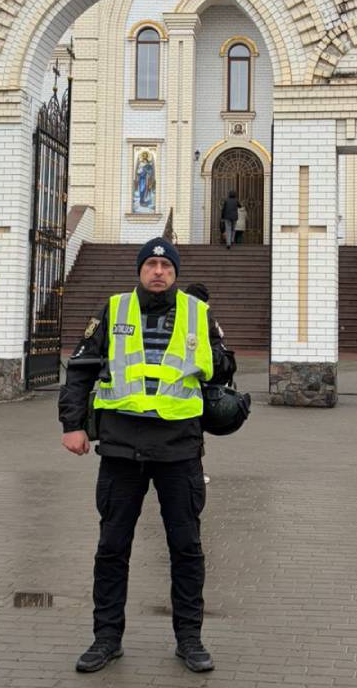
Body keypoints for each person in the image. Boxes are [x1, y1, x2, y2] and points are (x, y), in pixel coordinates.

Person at [59, 238, 234, 675]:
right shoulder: (112, 310)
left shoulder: (199, 314)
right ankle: (106, 639)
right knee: (112, 547)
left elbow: (225, 367)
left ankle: (189, 640)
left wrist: (209, 354)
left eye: (165, 265)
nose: (158, 271)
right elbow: (80, 370)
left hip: (179, 448)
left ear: (174, 272)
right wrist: (72, 424)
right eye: (151, 264)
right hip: (121, 448)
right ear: (140, 270)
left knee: (186, 547)